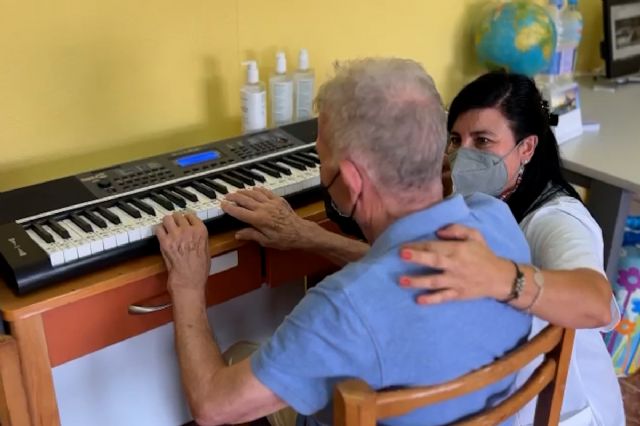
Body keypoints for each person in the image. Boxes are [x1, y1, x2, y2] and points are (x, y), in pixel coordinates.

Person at [221, 71, 625, 426]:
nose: (464, 155)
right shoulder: (490, 211)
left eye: (483, 141)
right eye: (455, 140)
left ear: (527, 148)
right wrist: (308, 236)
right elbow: (428, 268)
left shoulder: (554, 220)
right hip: (497, 400)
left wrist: (503, 277)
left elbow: (597, 305)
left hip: (563, 413)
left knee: (255, 364)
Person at [156, 59, 533, 426]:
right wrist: (306, 235)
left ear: (352, 181)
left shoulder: (345, 307)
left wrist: (187, 286)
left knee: (239, 357)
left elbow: (212, 406)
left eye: (322, 160)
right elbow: (398, 269)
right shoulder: (495, 219)